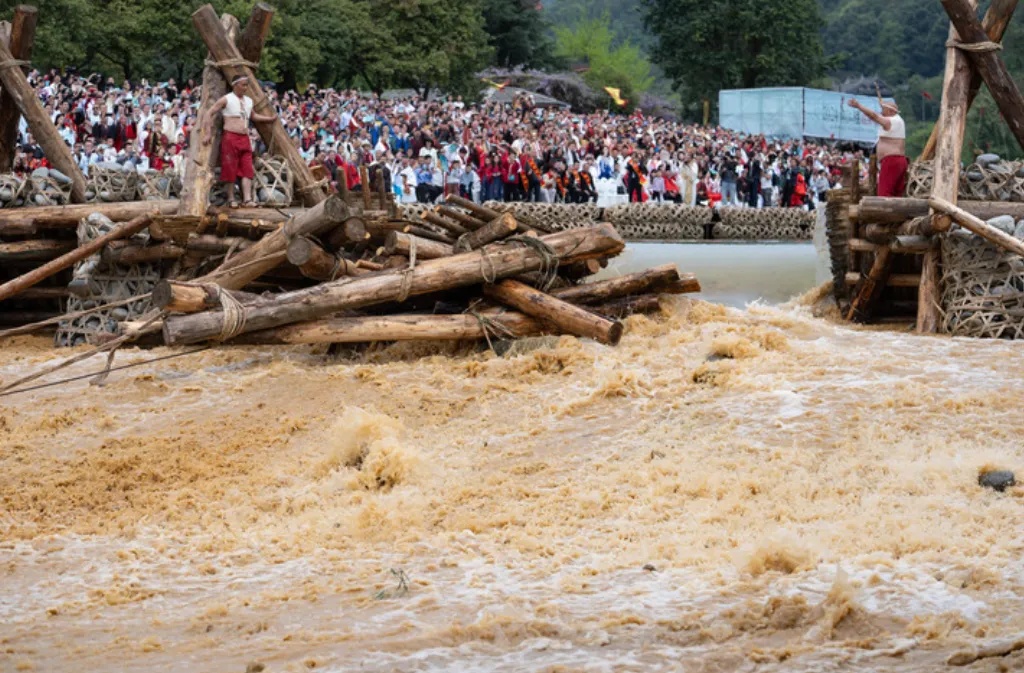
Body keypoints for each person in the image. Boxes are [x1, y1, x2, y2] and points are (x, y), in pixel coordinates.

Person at [201, 74, 277, 208]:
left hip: (244, 137)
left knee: (247, 168)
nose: (245, 88)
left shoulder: (248, 101)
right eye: (243, 85)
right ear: (235, 85)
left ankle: (247, 199)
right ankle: (231, 198)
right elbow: (209, 113)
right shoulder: (226, 99)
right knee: (230, 167)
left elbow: (253, 116)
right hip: (230, 136)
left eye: (247, 85)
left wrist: (269, 119)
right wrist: (207, 133)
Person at [848, 98, 907, 197]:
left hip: (891, 161)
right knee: (896, 194)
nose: (881, 112)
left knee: (885, 193)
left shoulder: (891, 121)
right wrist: (883, 105)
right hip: (898, 161)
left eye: (883, 110)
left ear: (890, 111)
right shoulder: (898, 121)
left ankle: (885, 212)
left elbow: (874, 116)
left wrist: (859, 106)